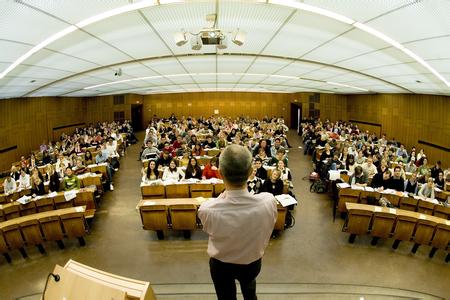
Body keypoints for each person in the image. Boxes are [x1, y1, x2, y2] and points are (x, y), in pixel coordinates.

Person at [198, 145, 277, 300]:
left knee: (226, 297)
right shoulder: (268, 202)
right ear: (250, 172)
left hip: (221, 266)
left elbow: (209, 230)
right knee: (249, 288)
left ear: (220, 174)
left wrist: (222, 197)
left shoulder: (207, 209)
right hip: (252, 264)